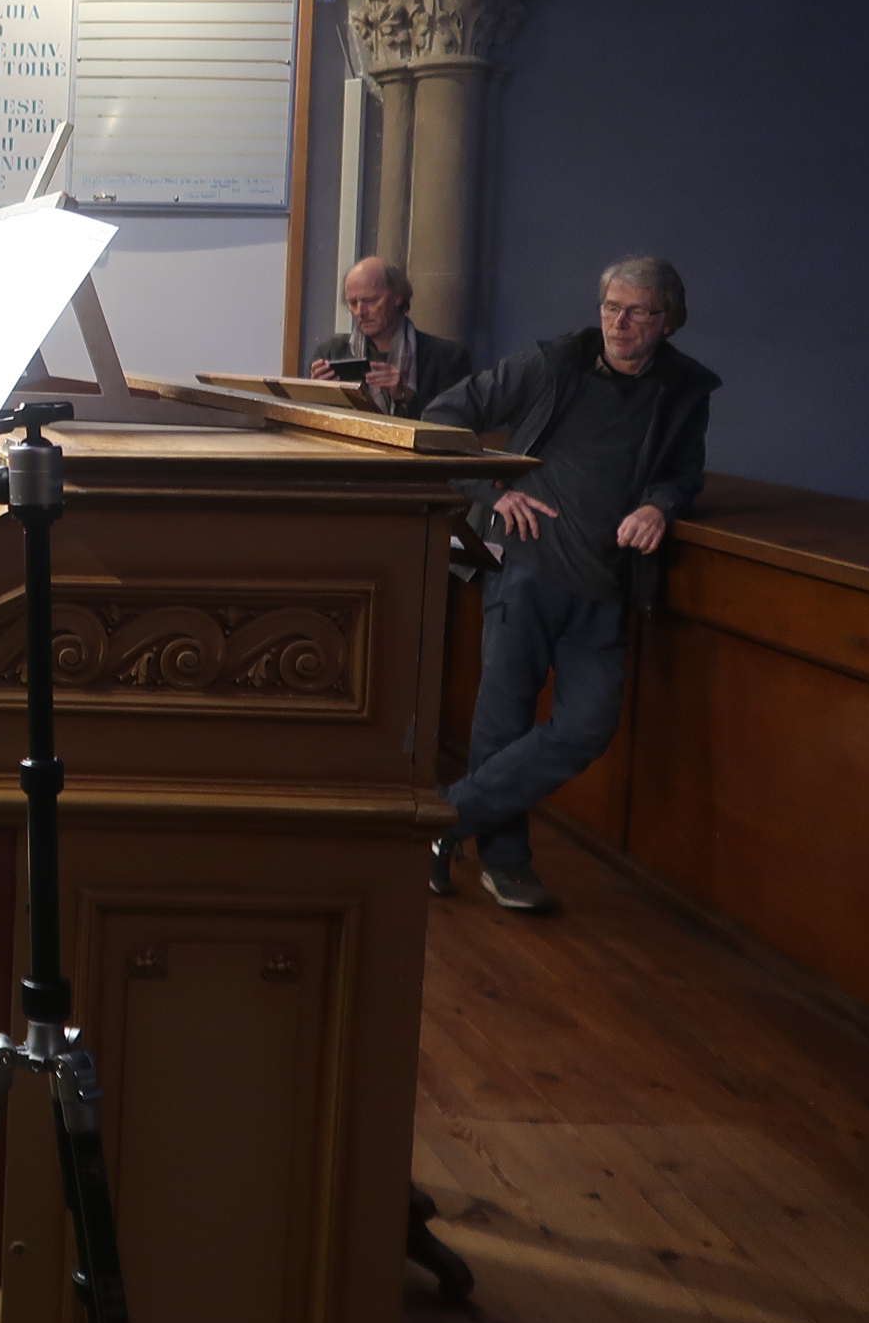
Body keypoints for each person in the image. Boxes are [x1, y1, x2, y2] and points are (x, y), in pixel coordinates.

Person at [423, 256, 718, 913]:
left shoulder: (685, 388)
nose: (619, 322)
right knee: (502, 720)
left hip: (608, 583)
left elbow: (683, 472)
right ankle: (505, 863)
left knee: (588, 724)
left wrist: (659, 505)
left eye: (637, 311)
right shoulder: (553, 363)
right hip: (528, 567)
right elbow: (441, 417)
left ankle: (442, 822)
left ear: (667, 322)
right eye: (611, 307)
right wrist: (490, 490)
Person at [306, 257, 472, 418]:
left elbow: (456, 424)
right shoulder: (331, 353)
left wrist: (405, 395)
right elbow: (312, 420)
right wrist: (317, 394)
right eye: (352, 303)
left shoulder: (446, 358)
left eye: (370, 301)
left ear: (397, 297)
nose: (360, 312)